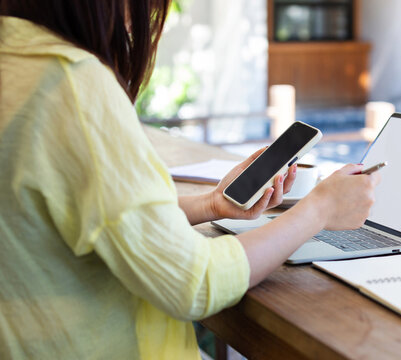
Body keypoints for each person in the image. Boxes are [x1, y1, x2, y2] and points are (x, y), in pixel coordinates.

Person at [0, 0, 380, 358]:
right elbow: (191, 282)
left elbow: (82, 215)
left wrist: (210, 204)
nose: (145, 21)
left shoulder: (15, 62)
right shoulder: (72, 84)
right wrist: (319, 210)